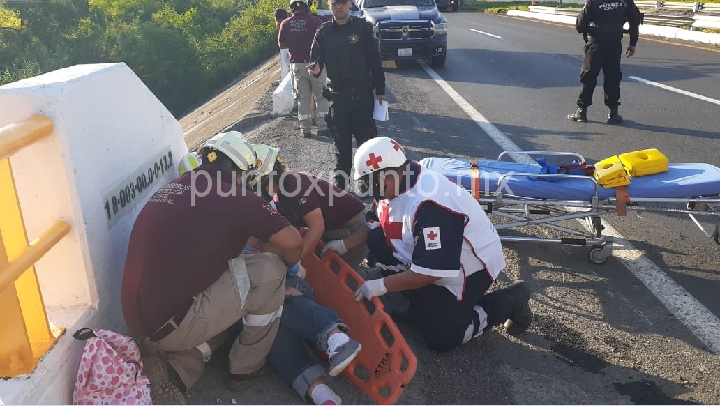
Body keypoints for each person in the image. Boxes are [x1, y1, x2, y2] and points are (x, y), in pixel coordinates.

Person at [120, 131, 304, 395]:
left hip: (141, 323)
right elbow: (293, 242)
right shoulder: (236, 196)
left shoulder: (178, 186)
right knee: (271, 270)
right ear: (241, 174)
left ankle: (175, 374)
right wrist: (290, 272)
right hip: (176, 323)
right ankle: (246, 369)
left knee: (223, 308)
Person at [322, 137, 533, 353]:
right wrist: (342, 245)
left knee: (441, 337)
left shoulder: (431, 205)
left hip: (470, 266)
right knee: (377, 240)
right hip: (433, 256)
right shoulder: (398, 179)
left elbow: (430, 273)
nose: (366, 187)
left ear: (382, 176)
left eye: (367, 181)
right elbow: (375, 221)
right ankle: (420, 305)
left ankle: (509, 301)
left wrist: (380, 285)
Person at [243, 242, 361, 405]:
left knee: (281, 307)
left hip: (287, 284)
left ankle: (334, 336)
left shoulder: (258, 228)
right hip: (257, 299)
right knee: (269, 325)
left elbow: (293, 263)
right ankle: (320, 392)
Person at [307, 0, 386, 191]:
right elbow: (315, 60)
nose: (338, 7)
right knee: (341, 149)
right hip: (338, 100)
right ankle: (341, 191)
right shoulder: (323, 32)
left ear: (350, 4)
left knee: (366, 147)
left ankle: (368, 186)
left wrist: (380, 91)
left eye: (342, 3)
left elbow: (375, 61)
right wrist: (315, 69)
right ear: (329, 4)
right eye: (334, 4)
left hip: (363, 98)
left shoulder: (363, 28)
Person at [251, 143, 370, 269]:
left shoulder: (294, 185)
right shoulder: (280, 194)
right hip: (332, 228)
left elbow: (317, 226)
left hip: (352, 228)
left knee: (332, 277)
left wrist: (296, 261)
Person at [567, 0, 642, 124]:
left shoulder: (593, 2)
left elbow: (579, 26)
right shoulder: (625, 1)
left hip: (595, 44)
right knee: (613, 77)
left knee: (588, 76)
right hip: (614, 44)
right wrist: (632, 44)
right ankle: (613, 114)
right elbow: (635, 21)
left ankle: (581, 112)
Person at [279, 0, 330, 138]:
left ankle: (305, 129)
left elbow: (282, 44)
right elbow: (324, 41)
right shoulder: (315, 21)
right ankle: (323, 127)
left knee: (303, 98)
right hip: (316, 64)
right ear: (306, 6)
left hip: (297, 65)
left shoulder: (285, 23)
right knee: (321, 96)